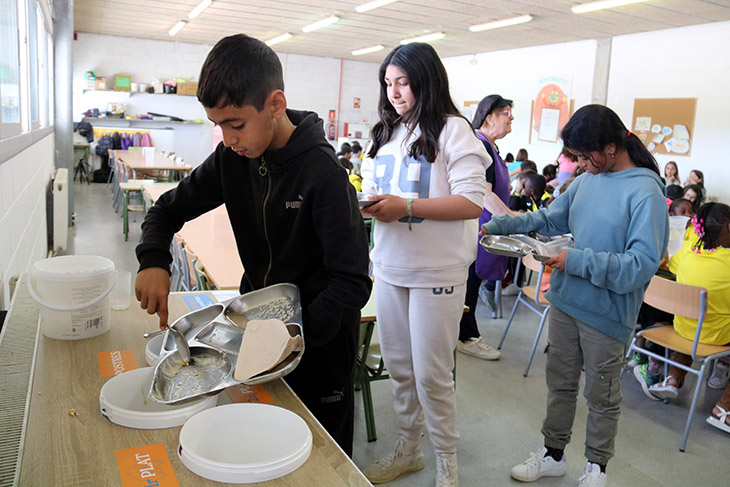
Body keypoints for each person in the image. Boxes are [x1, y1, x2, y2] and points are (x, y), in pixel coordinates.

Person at [134, 34, 372, 456]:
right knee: (258, 447)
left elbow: (351, 283)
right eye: (219, 126)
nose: (227, 139)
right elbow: (166, 210)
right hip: (255, 333)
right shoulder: (234, 159)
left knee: (319, 458)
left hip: (319, 350)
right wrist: (154, 260)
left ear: (275, 105)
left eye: (236, 124)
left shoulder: (325, 176)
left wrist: (293, 338)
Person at [482, 105, 668, 487]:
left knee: (602, 395)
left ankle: (597, 468)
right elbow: (549, 218)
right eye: (578, 158)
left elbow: (640, 265)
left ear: (612, 147)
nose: (582, 164)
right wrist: (494, 224)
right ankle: (553, 455)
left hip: (607, 314)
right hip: (566, 303)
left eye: (586, 156)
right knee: (560, 384)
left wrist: (575, 260)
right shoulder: (586, 180)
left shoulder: (646, 192)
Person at [359, 42, 489, 487]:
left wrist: (407, 207)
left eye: (403, 82)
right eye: (388, 83)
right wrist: (369, 206)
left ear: (426, 80)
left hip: (437, 271)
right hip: (390, 267)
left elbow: (473, 202)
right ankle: (408, 450)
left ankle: (446, 463)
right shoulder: (384, 133)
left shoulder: (455, 131)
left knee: (432, 374)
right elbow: (380, 192)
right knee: (399, 368)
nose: (395, 92)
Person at [633, 204, 730, 418]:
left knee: (707, 317)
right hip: (715, 337)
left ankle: (673, 378)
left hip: (684, 329)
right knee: (715, 320)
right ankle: (725, 408)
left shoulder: (687, 251)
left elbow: (673, 266)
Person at [458, 94, 517, 360]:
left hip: (484, 226)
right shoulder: (480, 147)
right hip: (478, 227)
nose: (512, 117)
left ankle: (465, 333)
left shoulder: (489, 147)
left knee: (473, 280)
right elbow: (485, 193)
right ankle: (466, 337)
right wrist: (513, 218)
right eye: (507, 112)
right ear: (488, 116)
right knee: (470, 280)